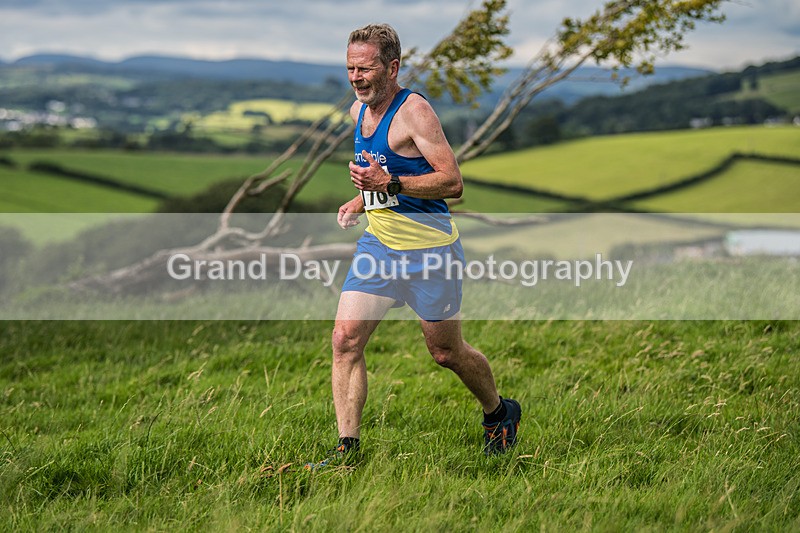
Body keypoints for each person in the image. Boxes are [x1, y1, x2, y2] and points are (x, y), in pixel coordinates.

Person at [305, 23, 520, 469]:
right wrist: (362, 200)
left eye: (365, 69)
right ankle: (347, 451)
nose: (356, 78)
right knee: (345, 340)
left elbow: (452, 182)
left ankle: (499, 412)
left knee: (446, 352)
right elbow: (378, 174)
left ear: (392, 68)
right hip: (380, 247)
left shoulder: (415, 112)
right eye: (350, 68)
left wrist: (390, 183)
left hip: (430, 252)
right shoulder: (358, 112)